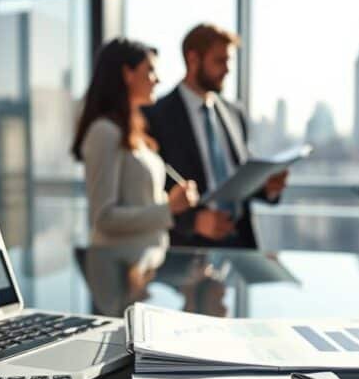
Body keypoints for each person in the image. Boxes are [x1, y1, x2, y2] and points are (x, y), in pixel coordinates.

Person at [144, 23, 288, 249]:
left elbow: (238, 174)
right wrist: (193, 222)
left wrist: (266, 187)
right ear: (193, 59)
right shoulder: (156, 116)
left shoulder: (234, 113)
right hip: (188, 251)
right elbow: (149, 190)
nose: (228, 69)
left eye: (229, 61)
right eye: (220, 61)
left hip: (240, 242)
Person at [72, 38, 200, 247]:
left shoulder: (134, 132)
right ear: (127, 73)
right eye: (150, 70)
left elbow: (140, 203)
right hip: (119, 269)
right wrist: (169, 208)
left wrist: (170, 202)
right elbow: (103, 218)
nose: (157, 80)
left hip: (142, 266)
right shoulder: (104, 132)